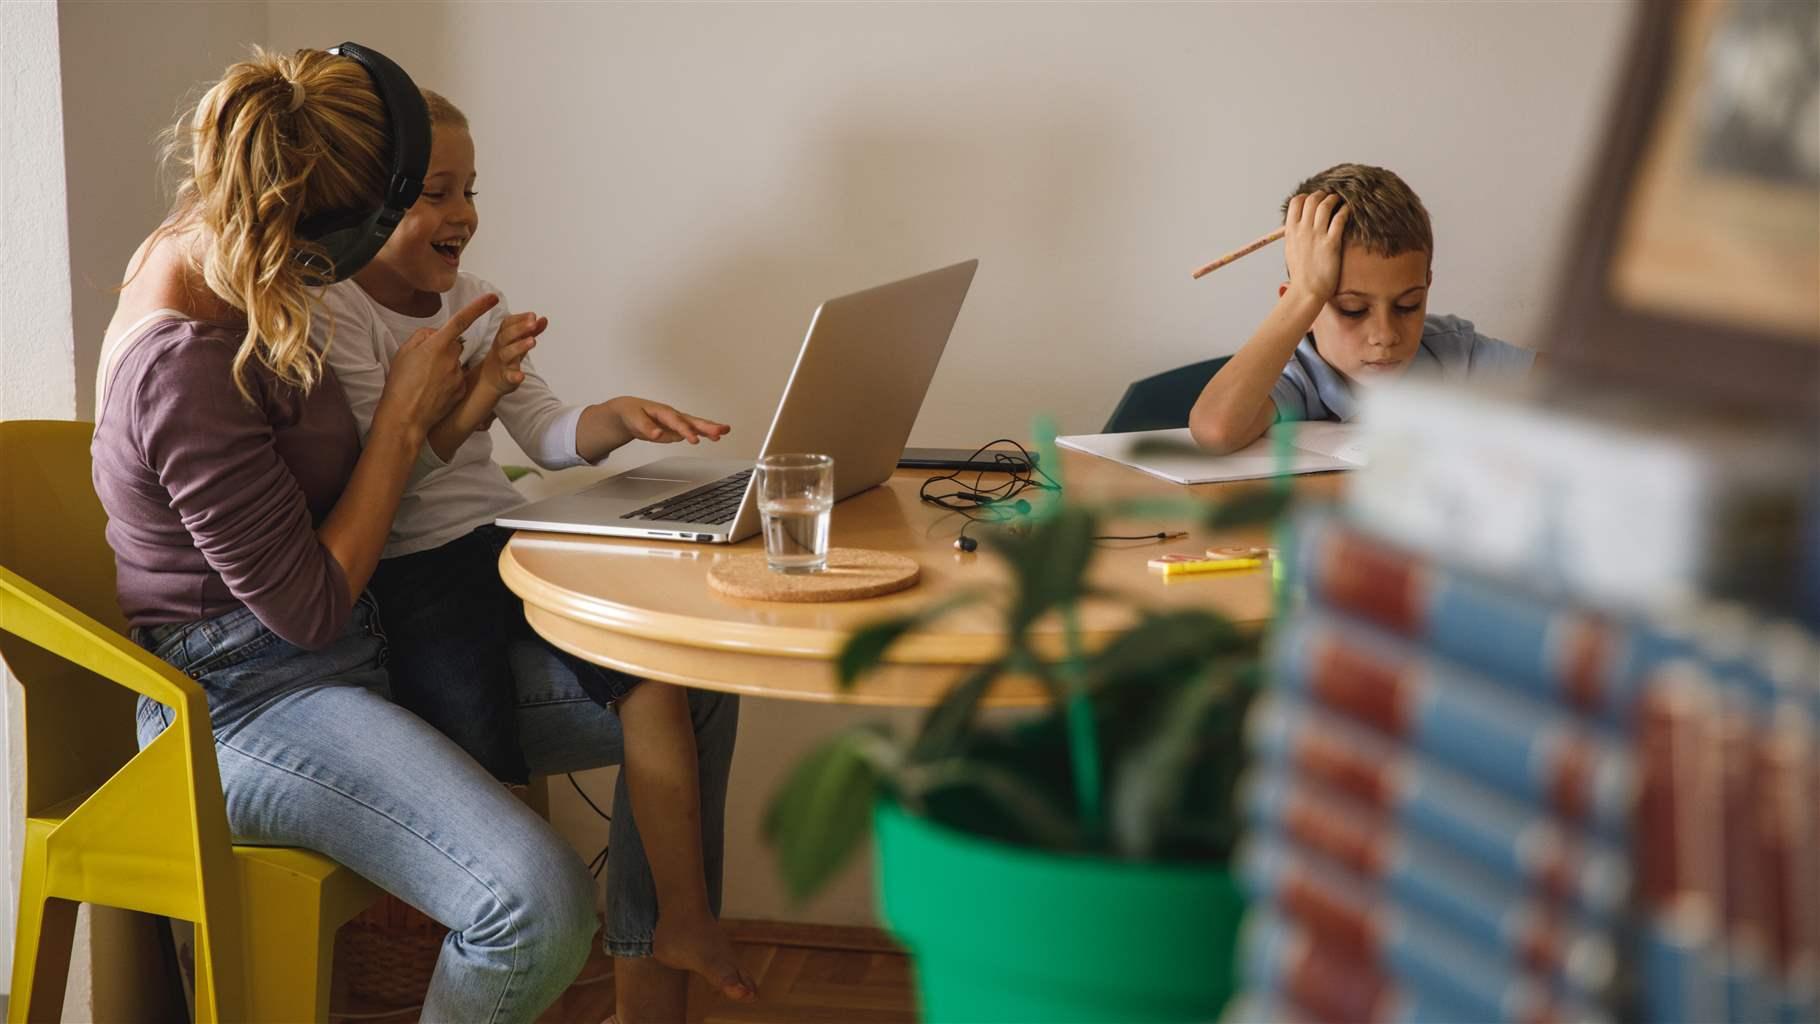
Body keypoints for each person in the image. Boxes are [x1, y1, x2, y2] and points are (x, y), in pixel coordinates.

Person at [90, 45, 739, 1022]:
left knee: (688, 685)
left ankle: (651, 993)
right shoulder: (184, 364)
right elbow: (308, 610)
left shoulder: (235, 242)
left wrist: (452, 410)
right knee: (535, 903)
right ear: (317, 228)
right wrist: (403, 418)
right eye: (395, 214)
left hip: (366, 644)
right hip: (245, 701)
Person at [309, 85, 753, 1005]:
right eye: (435, 191)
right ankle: (539, 939)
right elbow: (371, 495)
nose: (461, 214)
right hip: (410, 577)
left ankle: (681, 917)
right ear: (371, 199)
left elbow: (546, 433)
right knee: (494, 753)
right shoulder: (340, 316)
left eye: (471, 189)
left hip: (499, 544)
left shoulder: (471, 298)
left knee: (656, 663)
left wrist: (614, 420)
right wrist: (464, 405)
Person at [1188, 163, 1535, 454]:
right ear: (1303, 311)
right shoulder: (1298, 378)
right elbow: (1215, 432)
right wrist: (1306, 292)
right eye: (1353, 310)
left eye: (1408, 305)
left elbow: (1581, 388)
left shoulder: (1453, 352)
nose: (1385, 336)